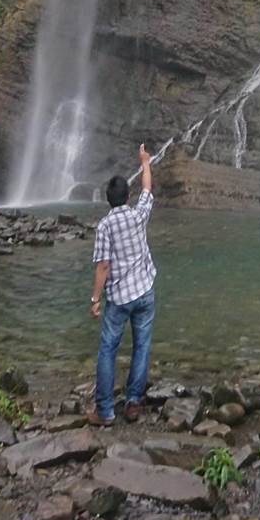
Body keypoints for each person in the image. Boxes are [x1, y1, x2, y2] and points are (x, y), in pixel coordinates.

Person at [87, 144, 156, 426]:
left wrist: (95, 299)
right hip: (145, 291)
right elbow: (148, 190)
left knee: (107, 349)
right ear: (128, 197)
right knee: (142, 346)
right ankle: (133, 403)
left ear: (108, 200)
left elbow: (103, 265)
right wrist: (145, 163)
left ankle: (105, 412)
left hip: (119, 298)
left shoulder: (104, 226)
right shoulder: (139, 215)